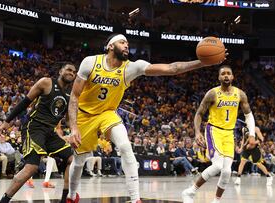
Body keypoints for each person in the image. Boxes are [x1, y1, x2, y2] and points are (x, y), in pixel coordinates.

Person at [66, 33, 226, 203]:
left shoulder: (131, 68)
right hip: (84, 114)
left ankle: (135, 199)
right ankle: (71, 195)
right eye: (122, 42)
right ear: (110, 46)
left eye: (127, 43)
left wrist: (203, 62)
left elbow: (173, 68)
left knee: (125, 147)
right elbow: (74, 96)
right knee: (79, 160)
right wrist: (74, 127)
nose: (126, 45)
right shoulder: (90, 62)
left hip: (107, 113)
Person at [0, 63, 77, 203]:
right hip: (34, 127)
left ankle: (65, 200)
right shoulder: (46, 82)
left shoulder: (69, 96)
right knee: (31, 167)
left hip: (50, 132)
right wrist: (8, 121)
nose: (71, 73)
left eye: (74, 72)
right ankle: (4, 200)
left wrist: (73, 132)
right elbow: (25, 102)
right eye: (68, 70)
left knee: (72, 159)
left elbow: (67, 119)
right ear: (60, 71)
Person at [182, 65, 256, 203]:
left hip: (229, 134)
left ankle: (216, 200)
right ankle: (190, 192)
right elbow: (199, 113)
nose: (226, 76)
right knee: (217, 166)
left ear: (233, 77)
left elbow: (249, 115)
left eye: (229, 73)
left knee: (227, 171)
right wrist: (197, 132)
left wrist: (252, 134)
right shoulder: (212, 93)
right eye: (223, 74)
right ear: (219, 77)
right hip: (213, 130)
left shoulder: (240, 94)